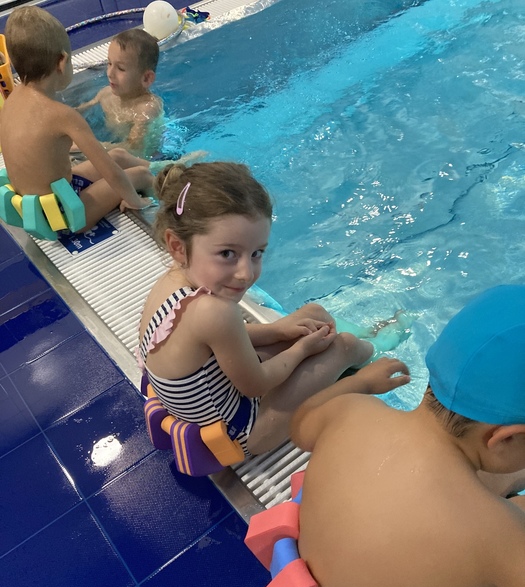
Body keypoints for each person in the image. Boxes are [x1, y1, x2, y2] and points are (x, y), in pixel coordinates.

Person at [290, 284, 525, 587]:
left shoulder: (349, 411)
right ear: (506, 437)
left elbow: (301, 423)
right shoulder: (499, 532)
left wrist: (361, 384)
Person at [138, 160, 411, 457]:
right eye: (227, 253)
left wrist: (279, 330)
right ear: (177, 246)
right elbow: (257, 384)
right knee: (342, 346)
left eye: (257, 253)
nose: (246, 273)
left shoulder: (170, 282)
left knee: (312, 315)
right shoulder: (215, 312)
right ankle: (371, 355)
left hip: (208, 400)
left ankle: (355, 342)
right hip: (242, 432)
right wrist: (301, 350)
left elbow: (211, 341)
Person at [1, 7, 153, 233]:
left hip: (34, 209)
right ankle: (164, 190)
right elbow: (110, 172)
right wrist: (135, 201)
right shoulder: (62, 115)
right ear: (62, 61)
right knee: (140, 176)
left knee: (118, 155)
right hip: (64, 217)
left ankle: (163, 167)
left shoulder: (11, 100)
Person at [76, 28, 164, 159]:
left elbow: (135, 150)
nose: (109, 73)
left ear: (146, 78)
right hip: (113, 148)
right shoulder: (106, 94)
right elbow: (79, 112)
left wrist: (88, 146)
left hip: (149, 159)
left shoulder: (147, 108)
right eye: (109, 63)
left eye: (121, 68)